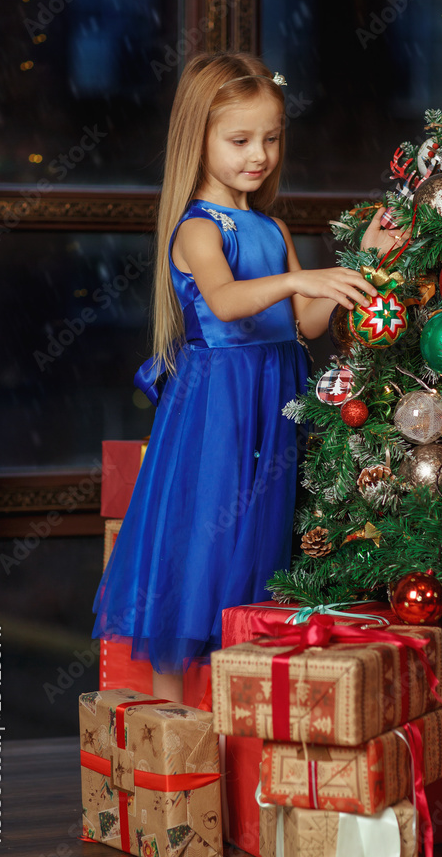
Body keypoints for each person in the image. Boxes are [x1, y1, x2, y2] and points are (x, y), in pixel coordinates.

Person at [91, 52, 402, 702]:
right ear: (197, 139)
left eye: (271, 137)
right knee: (203, 545)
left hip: (275, 398)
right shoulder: (199, 228)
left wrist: (365, 259)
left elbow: (307, 323)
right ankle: (176, 732)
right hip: (219, 407)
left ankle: (243, 719)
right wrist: (295, 277)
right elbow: (229, 302)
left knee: (260, 539)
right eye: (238, 140)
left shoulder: (270, 225)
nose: (257, 154)